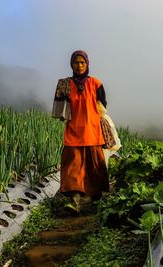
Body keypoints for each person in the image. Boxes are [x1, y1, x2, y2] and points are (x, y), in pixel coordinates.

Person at [55, 50, 109, 214]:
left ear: (87, 64)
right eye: (76, 62)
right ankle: (74, 201)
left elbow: (102, 106)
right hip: (73, 132)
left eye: (82, 62)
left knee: (94, 167)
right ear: (71, 65)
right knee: (73, 167)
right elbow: (60, 111)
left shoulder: (96, 83)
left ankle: (96, 199)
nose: (79, 65)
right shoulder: (65, 85)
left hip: (92, 131)